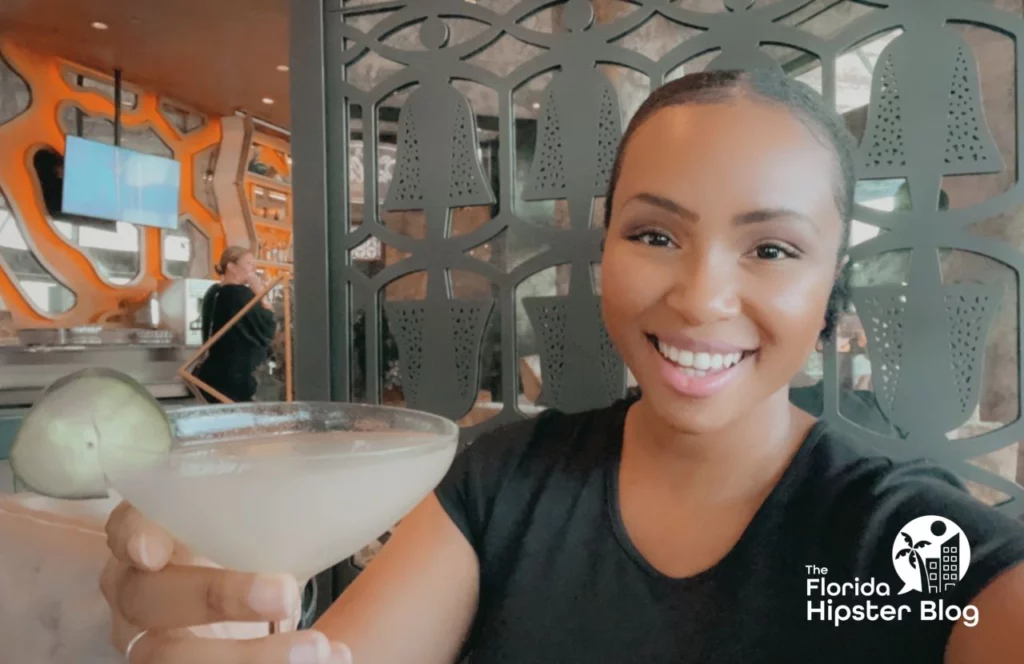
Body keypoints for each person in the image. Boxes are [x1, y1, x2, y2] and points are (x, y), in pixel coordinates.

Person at [100, 70, 1024, 663]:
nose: (701, 298)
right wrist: (218, 632)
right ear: (605, 255)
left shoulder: (903, 539)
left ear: (833, 288)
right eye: (655, 234)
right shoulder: (499, 485)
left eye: (773, 250)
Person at [194, 246, 277, 403]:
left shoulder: (213, 292)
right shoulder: (242, 295)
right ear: (231, 266)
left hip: (214, 371)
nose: (253, 268)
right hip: (241, 376)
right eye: (248, 263)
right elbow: (269, 325)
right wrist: (260, 293)